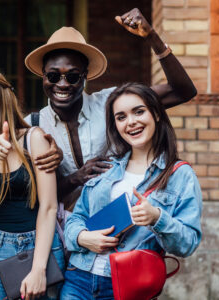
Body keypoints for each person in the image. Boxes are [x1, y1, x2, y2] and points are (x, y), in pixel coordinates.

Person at [24, 8, 197, 211]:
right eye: (53, 76)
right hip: (62, 234)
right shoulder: (32, 127)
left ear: (85, 76)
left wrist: (152, 37)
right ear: (43, 76)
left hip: (119, 231)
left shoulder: (112, 103)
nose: (62, 85)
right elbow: (30, 199)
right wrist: (74, 179)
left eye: (72, 76)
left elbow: (182, 91)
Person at [60, 82, 202, 299]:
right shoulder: (105, 168)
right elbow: (76, 218)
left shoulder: (180, 175)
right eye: (121, 117)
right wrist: (82, 237)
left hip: (127, 286)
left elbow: (188, 244)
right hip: (79, 279)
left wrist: (157, 218)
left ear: (155, 113)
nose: (131, 122)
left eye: (139, 112)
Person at [0, 67, 65, 300]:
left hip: (43, 246)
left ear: (2, 100)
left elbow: (48, 207)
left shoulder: (33, 138)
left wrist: (38, 269)